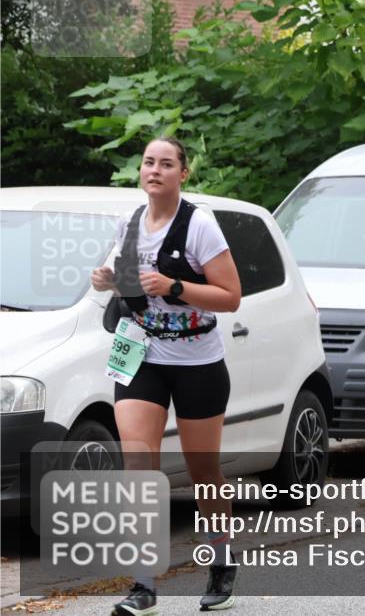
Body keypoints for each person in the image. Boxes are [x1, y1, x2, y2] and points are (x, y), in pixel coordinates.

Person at [92, 138, 242, 615]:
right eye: (148, 163)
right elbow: (130, 282)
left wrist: (176, 285)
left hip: (197, 360)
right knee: (138, 466)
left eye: (166, 164)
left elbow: (231, 296)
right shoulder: (130, 223)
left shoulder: (199, 224)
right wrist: (109, 280)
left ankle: (221, 560)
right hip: (140, 352)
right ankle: (142, 586)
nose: (154, 170)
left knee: (203, 474)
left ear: (183, 173)